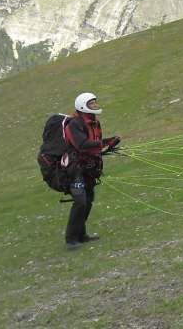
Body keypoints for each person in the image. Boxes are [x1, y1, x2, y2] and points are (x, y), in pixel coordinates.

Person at [62, 92, 121, 250]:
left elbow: (95, 144)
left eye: (95, 102)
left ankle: (82, 235)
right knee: (80, 201)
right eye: (91, 104)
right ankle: (71, 239)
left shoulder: (94, 122)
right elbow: (82, 145)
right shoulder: (74, 124)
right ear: (83, 106)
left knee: (88, 200)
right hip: (74, 168)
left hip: (89, 167)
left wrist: (110, 143)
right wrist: (105, 142)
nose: (95, 105)